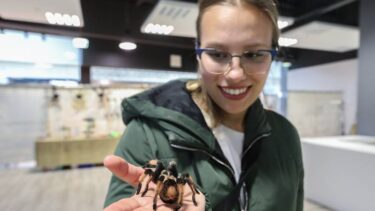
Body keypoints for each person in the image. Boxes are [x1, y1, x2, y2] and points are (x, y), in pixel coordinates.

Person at [103, 0, 304, 210]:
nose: (235, 74)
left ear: (272, 55)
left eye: (254, 54)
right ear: (198, 52)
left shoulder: (285, 136)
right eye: (217, 54)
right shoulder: (147, 135)